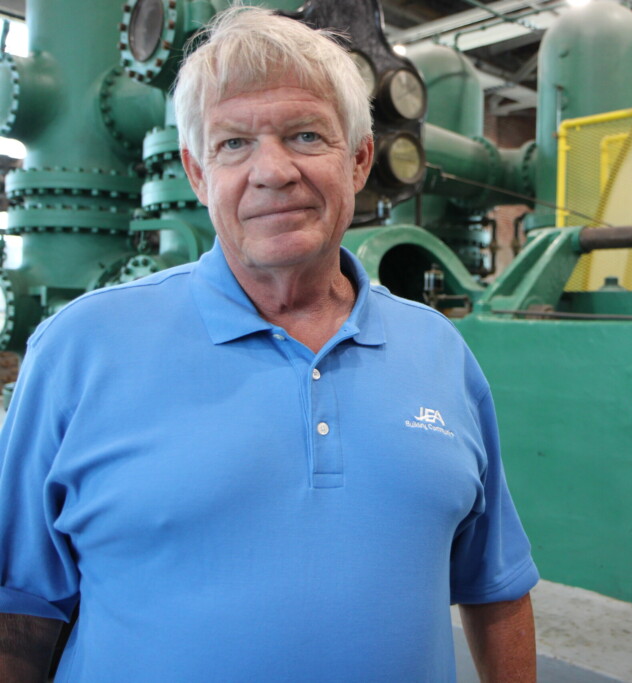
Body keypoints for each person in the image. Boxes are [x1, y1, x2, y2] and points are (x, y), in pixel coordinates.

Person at [0, 6, 538, 681]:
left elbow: (495, 585)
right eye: (233, 144)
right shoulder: (79, 349)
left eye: (306, 135)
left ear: (360, 160)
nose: (273, 170)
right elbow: (19, 602)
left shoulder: (438, 352)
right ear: (198, 175)